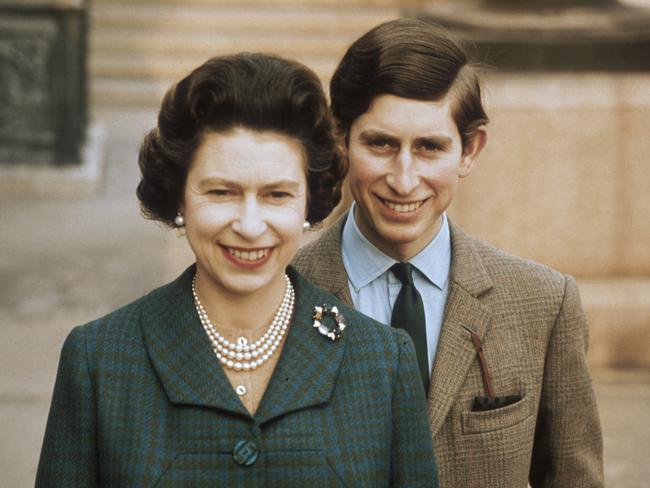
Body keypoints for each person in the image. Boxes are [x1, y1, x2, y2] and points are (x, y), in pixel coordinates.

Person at [36, 53, 438, 487]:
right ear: (179, 200)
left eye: (277, 195)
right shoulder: (100, 360)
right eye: (223, 192)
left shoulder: (382, 360)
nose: (249, 226)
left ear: (310, 202)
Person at [293, 18, 604, 487]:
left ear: (470, 150)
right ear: (340, 140)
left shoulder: (544, 302)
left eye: (429, 147)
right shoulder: (279, 295)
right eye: (380, 143)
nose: (403, 178)